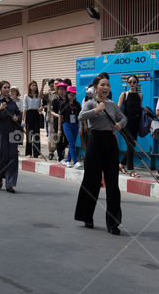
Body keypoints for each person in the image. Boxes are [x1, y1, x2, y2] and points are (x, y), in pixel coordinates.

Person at [75, 72, 127, 233]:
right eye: (102, 85)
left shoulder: (112, 104)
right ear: (96, 87)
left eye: (108, 85)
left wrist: (119, 125)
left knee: (112, 183)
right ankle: (86, 216)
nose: (106, 88)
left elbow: (124, 118)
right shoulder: (90, 103)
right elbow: (80, 117)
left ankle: (113, 223)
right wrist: (96, 110)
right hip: (95, 141)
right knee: (92, 180)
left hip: (110, 142)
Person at [0, 80, 22, 192]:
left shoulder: (12, 102)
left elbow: (18, 112)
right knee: (3, 156)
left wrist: (17, 118)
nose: (7, 89)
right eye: (5, 87)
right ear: (1, 89)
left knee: (13, 156)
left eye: (8, 87)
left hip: (13, 132)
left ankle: (10, 184)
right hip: (2, 131)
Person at [118, 75, 144, 177]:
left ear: (137, 83)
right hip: (126, 124)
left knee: (131, 146)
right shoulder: (124, 95)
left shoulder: (140, 95)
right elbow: (118, 109)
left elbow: (139, 108)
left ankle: (121, 164)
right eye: (130, 82)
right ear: (127, 84)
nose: (132, 84)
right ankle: (131, 170)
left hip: (135, 124)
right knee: (130, 144)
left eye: (134, 82)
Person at [59, 86, 82, 168]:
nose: (72, 96)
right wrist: (59, 129)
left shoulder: (77, 104)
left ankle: (67, 160)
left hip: (75, 125)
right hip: (66, 125)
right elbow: (60, 117)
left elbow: (80, 116)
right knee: (72, 143)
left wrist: (81, 127)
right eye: (71, 95)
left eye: (74, 95)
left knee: (71, 143)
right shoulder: (63, 104)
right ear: (67, 94)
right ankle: (75, 161)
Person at [22, 80, 42, 157]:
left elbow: (41, 105)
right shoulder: (26, 96)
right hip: (29, 114)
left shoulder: (38, 95)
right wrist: (23, 119)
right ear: (29, 87)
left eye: (35, 85)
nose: (34, 87)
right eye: (32, 85)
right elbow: (25, 108)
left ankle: (37, 153)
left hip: (36, 114)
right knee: (29, 134)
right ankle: (28, 153)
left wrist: (41, 108)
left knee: (37, 134)